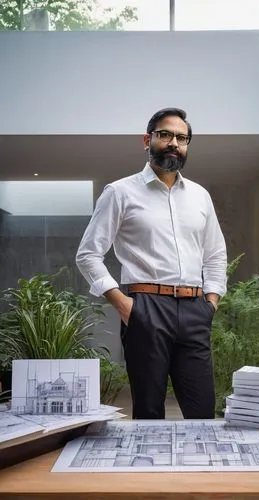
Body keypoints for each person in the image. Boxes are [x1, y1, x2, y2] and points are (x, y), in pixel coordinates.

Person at [76, 107, 227, 420]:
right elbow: (88, 254)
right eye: (165, 135)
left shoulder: (200, 196)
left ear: (187, 145)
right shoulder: (120, 192)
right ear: (148, 140)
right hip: (145, 308)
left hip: (194, 309)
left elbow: (215, 254)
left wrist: (211, 302)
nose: (174, 142)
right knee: (148, 412)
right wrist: (123, 304)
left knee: (202, 412)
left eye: (181, 138)